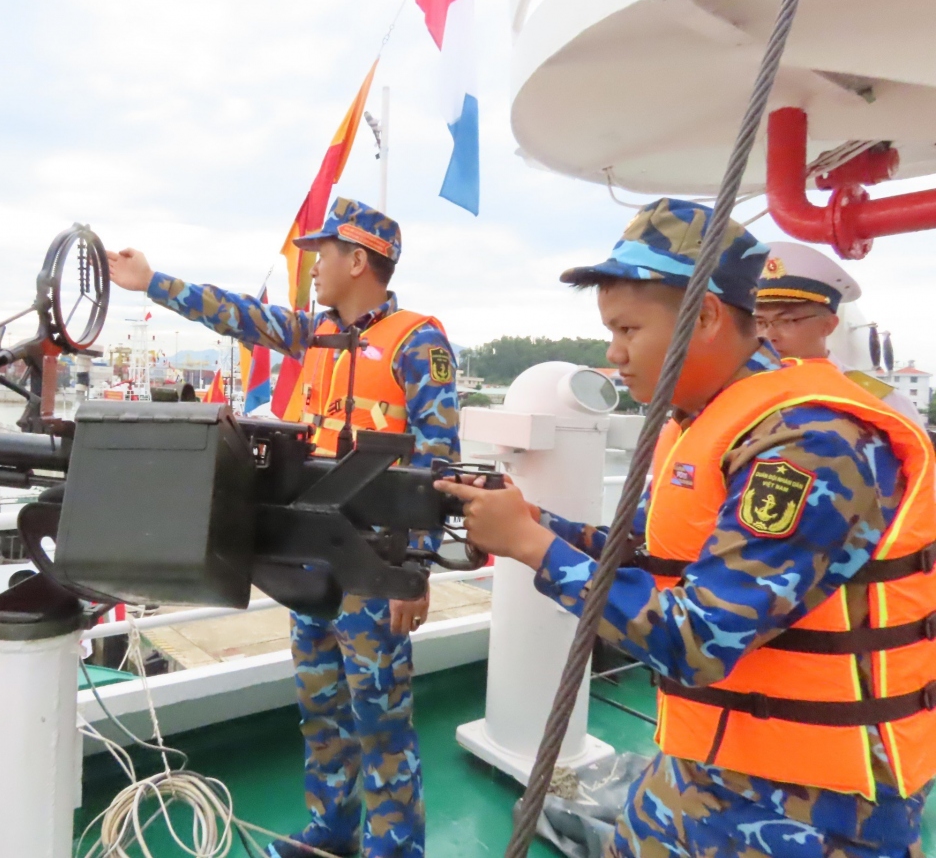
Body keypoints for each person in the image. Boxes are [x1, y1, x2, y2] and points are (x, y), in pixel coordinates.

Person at [436, 198, 936, 858]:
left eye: (627, 330)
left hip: (813, 809)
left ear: (702, 316)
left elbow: (698, 639)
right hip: (703, 767)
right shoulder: (707, 420)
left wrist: (531, 546)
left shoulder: (808, 446)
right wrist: (526, 519)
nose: (612, 354)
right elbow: (654, 549)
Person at [107, 197, 459, 858]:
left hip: (373, 567)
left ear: (359, 260)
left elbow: (437, 466)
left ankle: (394, 850)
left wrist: (416, 568)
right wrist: (151, 281)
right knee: (322, 706)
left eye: (321, 256)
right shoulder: (311, 331)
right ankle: (331, 833)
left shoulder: (419, 343)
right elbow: (239, 313)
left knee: (380, 721)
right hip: (309, 559)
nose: (313, 269)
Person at [755, 241, 925, 425]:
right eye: (759, 322)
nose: (768, 335)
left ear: (829, 325)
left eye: (786, 321)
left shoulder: (880, 402)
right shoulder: (741, 391)